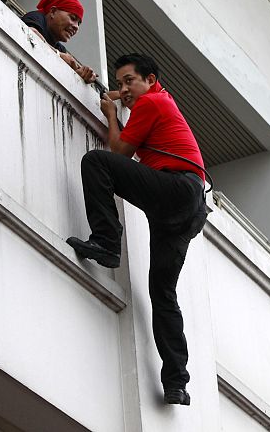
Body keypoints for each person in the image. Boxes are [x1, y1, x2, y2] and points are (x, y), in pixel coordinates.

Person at [66, 53, 208, 406]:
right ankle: (176, 382)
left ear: (149, 79)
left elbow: (120, 149)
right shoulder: (162, 98)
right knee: (162, 293)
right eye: (120, 82)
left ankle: (106, 241)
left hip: (175, 189)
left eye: (129, 81)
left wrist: (112, 114)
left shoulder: (150, 104)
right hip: (185, 209)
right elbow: (128, 94)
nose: (124, 88)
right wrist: (115, 93)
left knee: (98, 161)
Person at [21, 0, 97, 84]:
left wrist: (82, 75)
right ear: (53, 12)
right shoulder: (36, 17)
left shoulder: (60, 48)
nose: (76, 27)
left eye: (78, 23)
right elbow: (30, 33)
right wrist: (58, 55)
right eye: (73, 18)